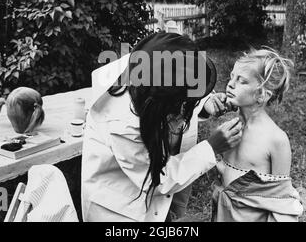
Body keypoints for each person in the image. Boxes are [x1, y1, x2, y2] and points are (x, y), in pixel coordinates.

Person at [81, 32, 243, 222]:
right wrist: (211, 147)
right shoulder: (122, 124)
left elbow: (176, 87)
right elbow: (156, 179)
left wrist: (204, 104)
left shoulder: (154, 63)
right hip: (121, 210)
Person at [211, 48, 304, 222]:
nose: (230, 84)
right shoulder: (228, 131)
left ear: (262, 94)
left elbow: (281, 201)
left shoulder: (276, 139)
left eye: (242, 81)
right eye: (232, 77)